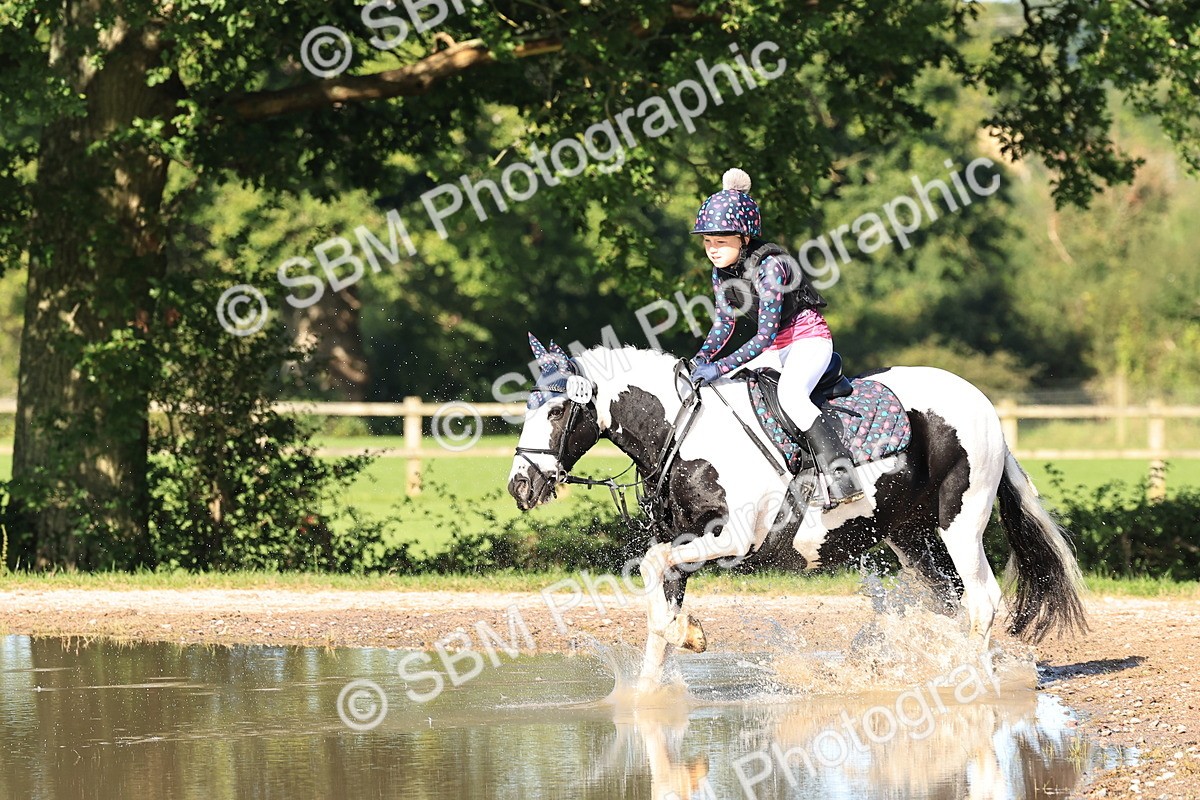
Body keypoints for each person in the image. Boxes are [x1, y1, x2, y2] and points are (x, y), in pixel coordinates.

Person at [688, 168, 864, 507]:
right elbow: (723, 323)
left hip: (808, 340)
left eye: (721, 242)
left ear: (744, 238)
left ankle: (843, 477)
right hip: (777, 347)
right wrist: (702, 357)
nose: (712, 249)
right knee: (733, 390)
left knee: (791, 396)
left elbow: (764, 335)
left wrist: (720, 366)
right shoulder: (721, 272)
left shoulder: (770, 266)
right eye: (707, 241)